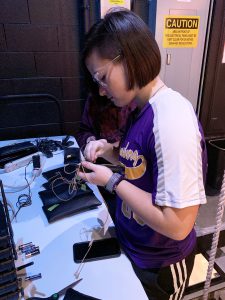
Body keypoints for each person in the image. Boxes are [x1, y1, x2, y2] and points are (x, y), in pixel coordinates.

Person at [78, 8, 207, 300]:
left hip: (160, 262)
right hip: (135, 245)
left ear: (129, 58)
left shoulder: (171, 118)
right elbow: (142, 165)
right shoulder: (141, 109)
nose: (100, 91)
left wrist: (112, 181)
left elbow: (177, 224)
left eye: (102, 77)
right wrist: (110, 151)